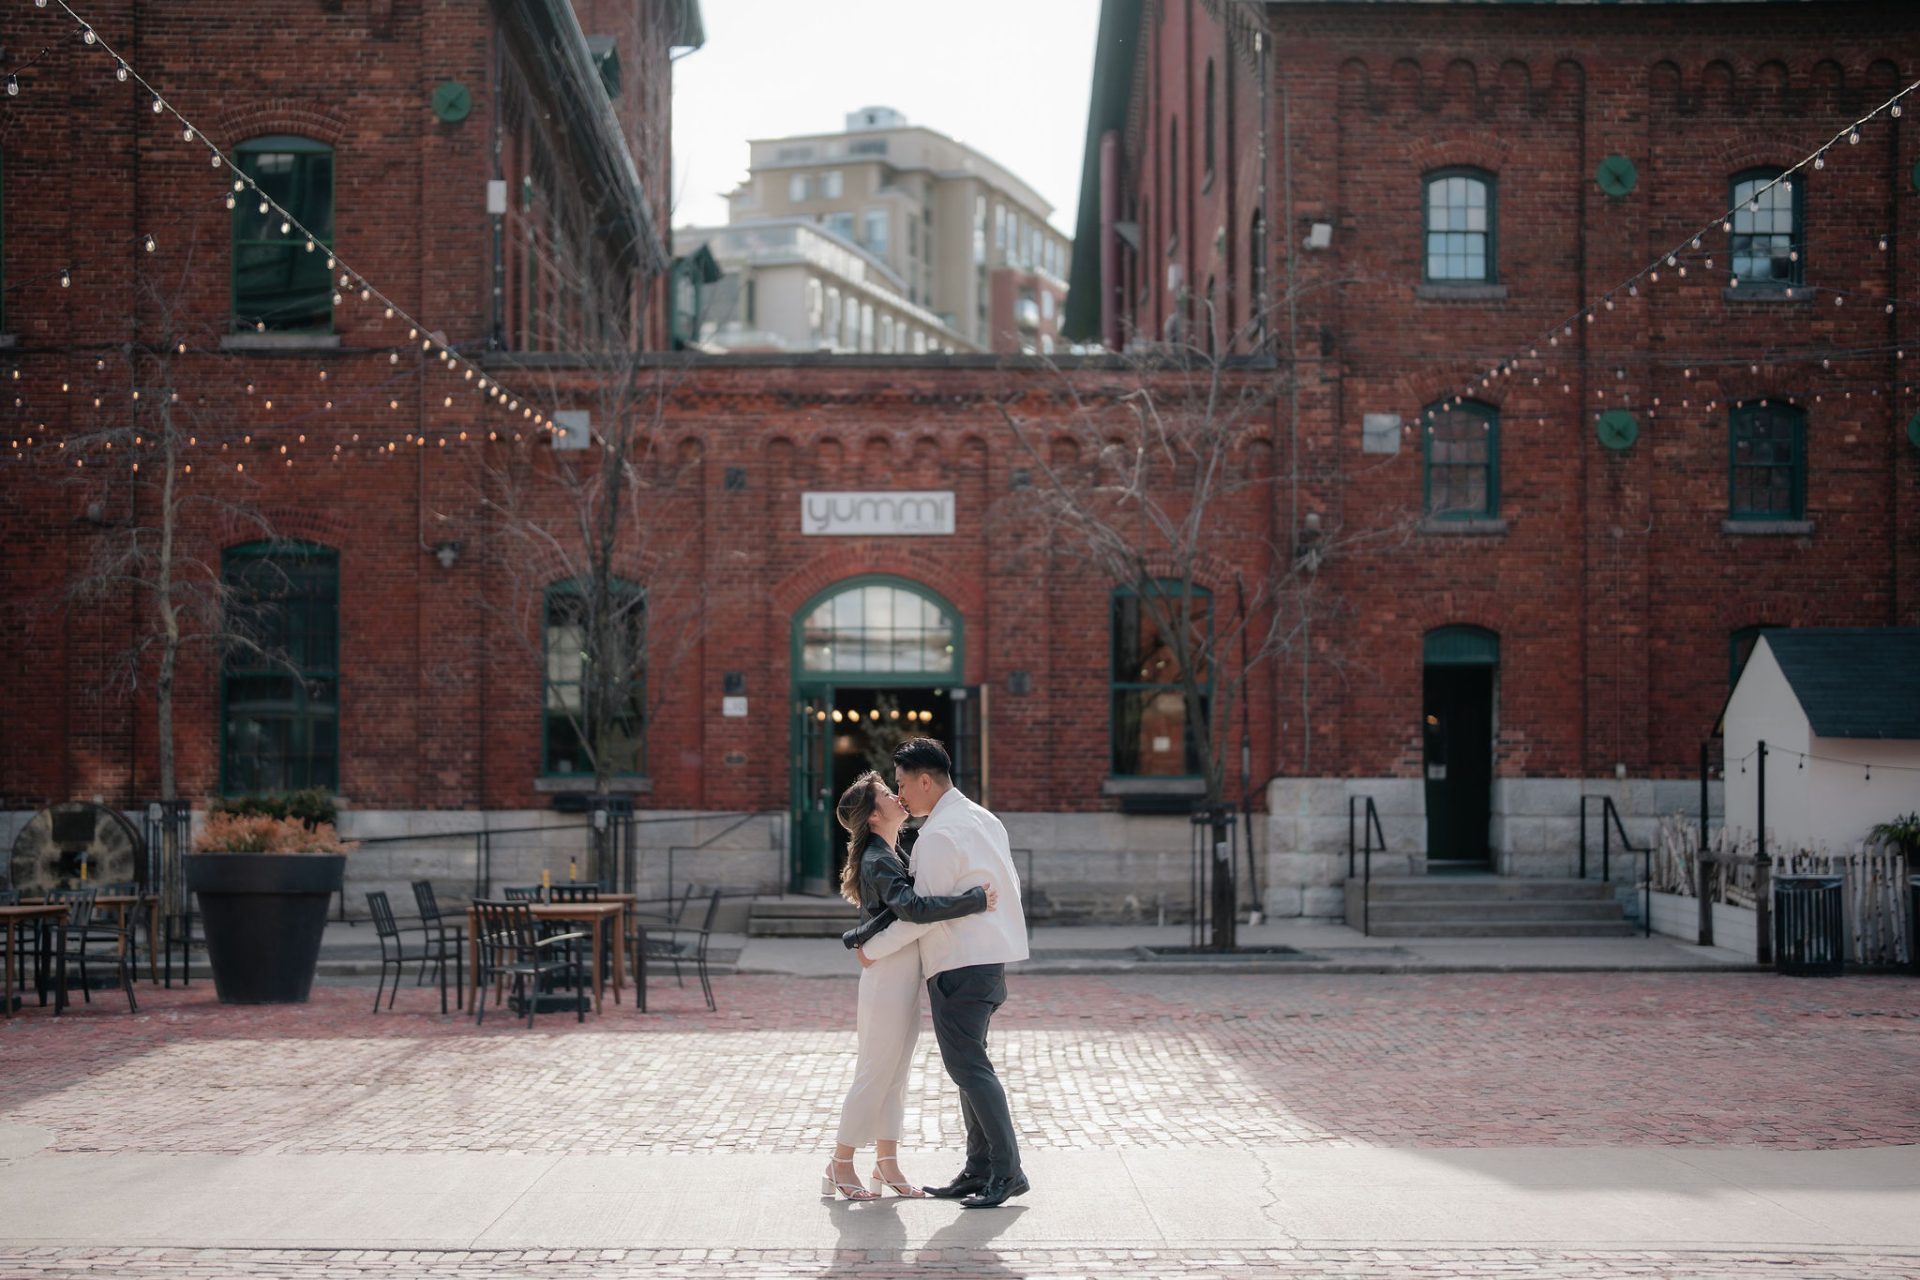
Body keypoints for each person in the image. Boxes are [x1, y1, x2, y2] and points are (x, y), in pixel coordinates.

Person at [844, 738, 1030, 1209]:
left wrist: (868, 947)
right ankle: (979, 1168)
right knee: (971, 1066)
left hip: (957, 963)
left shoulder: (938, 836)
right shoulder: (985, 819)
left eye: (903, 784)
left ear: (926, 781)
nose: (901, 794)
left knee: (969, 1068)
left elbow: (917, 913)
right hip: (989, 962)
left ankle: (1006, 1172)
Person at [823, 769, 999, 1201]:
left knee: (895, 1076)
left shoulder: (893, 851)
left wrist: (865, 942)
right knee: (874, 1073)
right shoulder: (878, 859)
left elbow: (895, 919)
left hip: (901, 977)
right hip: (885, 981)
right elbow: (913, 910)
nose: (897, 795)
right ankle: (839, 1163)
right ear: (872, 815)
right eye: (887, 792)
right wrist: (973, 900)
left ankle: (888, 1164)